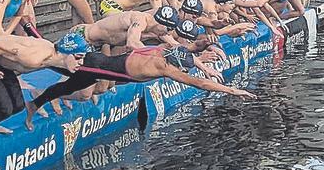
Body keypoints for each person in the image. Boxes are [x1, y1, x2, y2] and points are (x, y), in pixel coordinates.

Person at [24, 20, 254, 128]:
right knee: (52, 65)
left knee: (66, 82)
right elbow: (201, 84)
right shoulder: (165, 69)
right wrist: (232, 90)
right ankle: (29, 40)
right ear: (176, 67)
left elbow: (191, 48)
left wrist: (213, 41)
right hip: (94, 66)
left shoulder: (161, 50)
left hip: (101, 65)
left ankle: (34, 101)